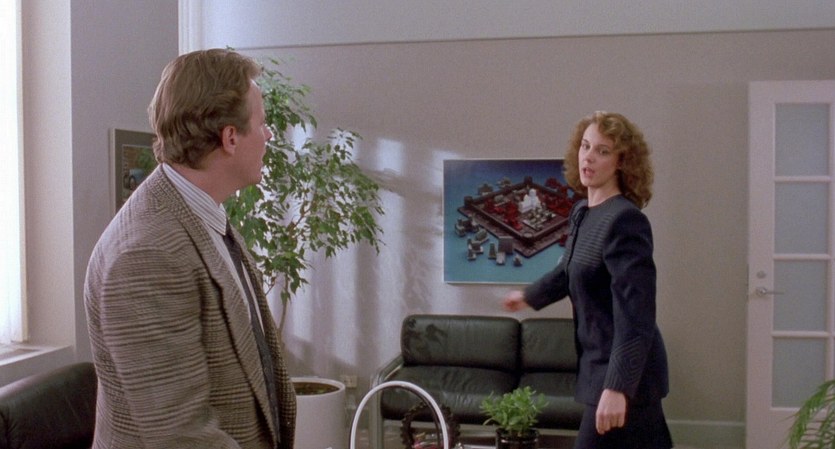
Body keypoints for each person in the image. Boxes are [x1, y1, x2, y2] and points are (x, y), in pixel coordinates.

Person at [84, 49, 296, 448]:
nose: (268, 135)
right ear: (230, 138)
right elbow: (181, 437)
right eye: (262, 124)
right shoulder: (147, 255)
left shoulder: (199, 213)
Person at [502, 111, 672, 449]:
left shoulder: (625, 220)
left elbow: (636, 314)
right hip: (600, 368)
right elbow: (568, 270)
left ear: (622, 162)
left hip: (623, 374)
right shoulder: (583, 212)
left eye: (602, 151)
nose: (588, 157)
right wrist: (529, 296)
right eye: (585, 146)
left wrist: (618, 387)